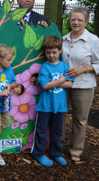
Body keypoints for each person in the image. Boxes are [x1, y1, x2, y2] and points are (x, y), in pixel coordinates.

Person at [61, 7, 99, 162]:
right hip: (63, 85)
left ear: (86, 22)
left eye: (80, 20)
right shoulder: (63, 39)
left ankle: (76, 150)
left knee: (80, 119)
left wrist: (83, 69)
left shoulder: (93, 41)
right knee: (60, 115)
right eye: (73, 19)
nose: (76, 22)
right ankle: (57, 146)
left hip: (84, 85)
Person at [31, 36, 73, 167]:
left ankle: (57, 153)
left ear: (60, 51)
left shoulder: (64, 66)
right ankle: (38, 153)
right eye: (48, 53)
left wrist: (54, 83)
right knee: (41, 131)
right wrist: (60, 81)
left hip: (59, 106)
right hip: (45, 106)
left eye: (54, 52)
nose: (51, 55)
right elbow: (44, 85)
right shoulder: (45, 67)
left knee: (57, 131)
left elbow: (70, 84)